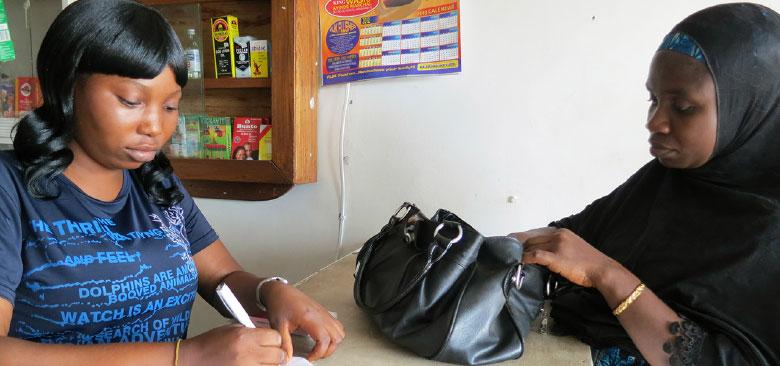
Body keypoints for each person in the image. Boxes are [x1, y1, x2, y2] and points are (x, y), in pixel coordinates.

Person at [0, 1, 344, 365]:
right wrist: (186, 356)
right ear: (67, 88)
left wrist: (269, 291)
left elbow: (222, 275)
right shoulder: (11, 188)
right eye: (131, 101)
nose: (154, 126)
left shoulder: (155, 183)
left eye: (169, 106)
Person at [511, 3, 779, 365]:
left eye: (681, 107)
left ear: (749, 108)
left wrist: (607, 275)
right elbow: (574, 238)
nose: (655, 122)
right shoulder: (668, 179)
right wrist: (486, 249)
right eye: (653, 99)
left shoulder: (770, 231)